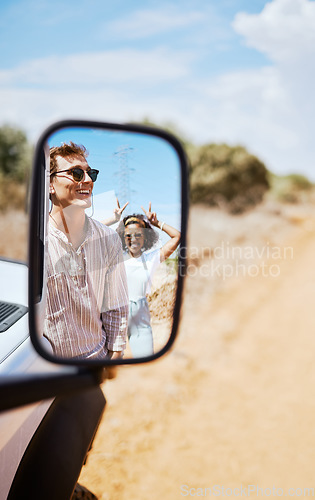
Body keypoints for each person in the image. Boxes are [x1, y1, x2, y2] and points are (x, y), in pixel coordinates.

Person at [45, 141, 128, 360]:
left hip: (94, 361)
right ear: (50, 184)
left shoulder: (109, 239)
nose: (89, 180)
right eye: (76, 173)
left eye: (91, 173)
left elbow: (116, 304)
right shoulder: (36, 239)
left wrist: (115, 354)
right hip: (41, 367)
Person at [116, 203, 181, 357]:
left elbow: (177, 236)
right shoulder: (115, 258)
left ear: (145, 237)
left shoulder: (152, 258)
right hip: (115, 315)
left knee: (144, 359)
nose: (133, 239)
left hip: (140, 318)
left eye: (138, 234)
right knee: (110, 364)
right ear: (123, 237)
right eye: (128, 235)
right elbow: (88, 235)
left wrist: (157, 223)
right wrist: (114, 219)